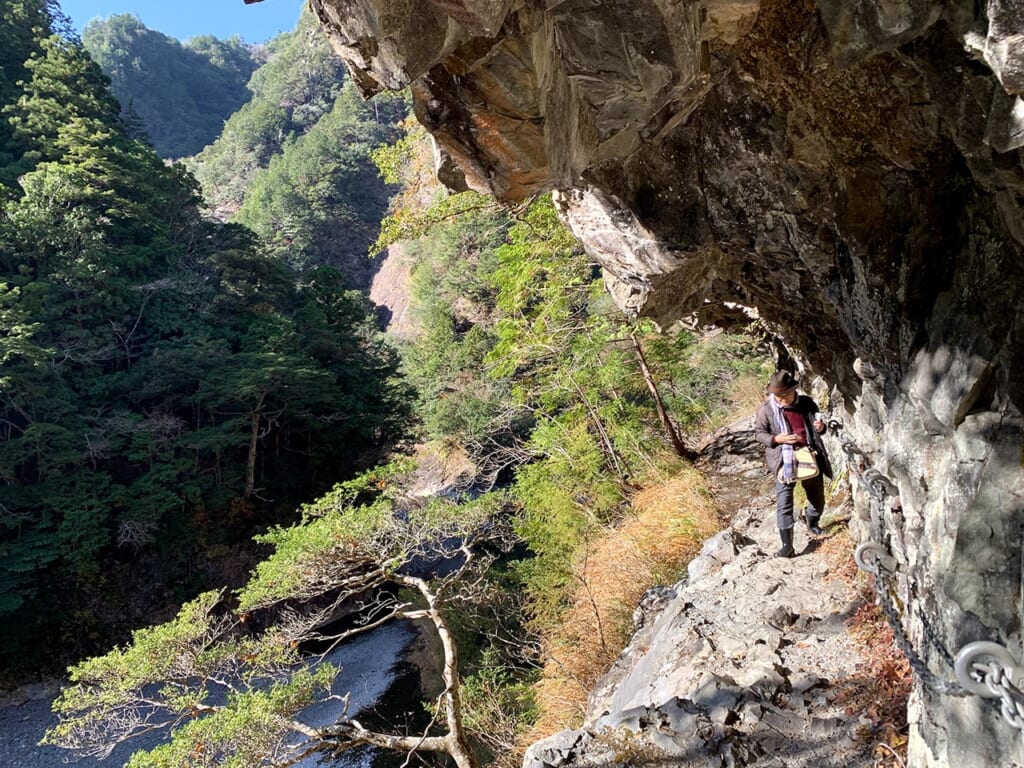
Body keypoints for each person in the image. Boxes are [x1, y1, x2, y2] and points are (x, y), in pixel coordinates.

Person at [753, 370, 833, 557]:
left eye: (786, 395)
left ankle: (812, 522)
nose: (782, 399)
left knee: (817, 497)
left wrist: (821, 427)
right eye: (778, 396)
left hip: (809, 455)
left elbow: (818, 423)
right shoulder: (766, 410)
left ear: (794, 390)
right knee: (784, 502)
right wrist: (777, 439)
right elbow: (759, 434)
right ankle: (787, 545)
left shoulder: (806, 403)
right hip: (783, 461)